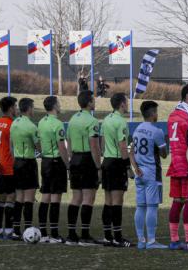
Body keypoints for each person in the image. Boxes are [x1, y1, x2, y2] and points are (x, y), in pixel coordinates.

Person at [167, 83, 188, 250]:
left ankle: (174, 240)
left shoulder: (173, 113)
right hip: (187, 163)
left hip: (175, 163)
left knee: (177, 201)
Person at [130, 100, 169, 250]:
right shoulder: (157, 131)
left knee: (140, 207)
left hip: (139, 172)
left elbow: (131, 152)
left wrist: (135, 168)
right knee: (152, 207)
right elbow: (164, 154)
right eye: (156, 112)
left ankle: (141, 241)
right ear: (153, 113)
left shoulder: (138, 129)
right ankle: (151, 241)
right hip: (152, 173)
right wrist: (165, 144)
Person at [66, 90, 103, 244]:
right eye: (93, 100)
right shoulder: (93, 121)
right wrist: (98, 167)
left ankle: (71, 235)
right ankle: (85, 235)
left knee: (76, 198)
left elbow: (68, 141)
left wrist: (71, 160)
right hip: (87, 160)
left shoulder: (73, 119)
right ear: (89, 102)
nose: (94, 102)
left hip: (75, 159)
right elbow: (94, 146)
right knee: (88, 198)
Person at [98, 93, 132, 246]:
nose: (128, 104)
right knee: (117, 201)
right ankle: (118, 238)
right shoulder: (121, 122)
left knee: (108, 201)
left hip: (107, 161)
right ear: (122, 104)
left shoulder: (106, 120)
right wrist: (128, 168)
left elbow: (103, 141)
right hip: (117, 163)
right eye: (127, 102)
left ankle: (107, 236)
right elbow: (123, 147)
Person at [37, 96, 70, 243]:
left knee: (45, 197)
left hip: (45, 161)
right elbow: (62, 147)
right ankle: (54, 234)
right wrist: (68, 164)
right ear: (54, 106)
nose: (60, 105)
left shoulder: (41, 122)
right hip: (56, 163)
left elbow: (37, 142)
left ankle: (43, 234)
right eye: (59, 103)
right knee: (56, 197)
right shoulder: (58, 124)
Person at [10, 98, 40, 239]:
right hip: (28, 163)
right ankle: (28, 229)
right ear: (28, 108)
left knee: (19, 197)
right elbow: (38, 147)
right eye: (33, 107)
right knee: (29, 198)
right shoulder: (32, 126)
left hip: (17, 163)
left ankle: (16, 229)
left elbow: (11, 144)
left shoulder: (14, 123)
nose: (33, 110)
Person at [0, 97, 18, 239]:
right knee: (11, 197)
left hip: (0, 166)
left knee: (1, 197)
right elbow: (12, 147)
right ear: (10, 108)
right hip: (9, 166)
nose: (17, 109)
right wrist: (16, 164)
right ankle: (8, 231)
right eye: (15, 106)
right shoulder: (12, 124)